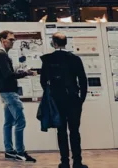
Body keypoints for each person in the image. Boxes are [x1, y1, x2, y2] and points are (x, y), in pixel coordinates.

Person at [41, 32, 87, 168]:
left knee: (61, 131)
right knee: (74, 131)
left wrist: (50, 94)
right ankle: (77, 162)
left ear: (54, 43)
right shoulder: (75, 59)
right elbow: (83, 80)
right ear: (65, 42)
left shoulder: (47, 60)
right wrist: (81, 98)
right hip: (73, 99)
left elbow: (43, 81)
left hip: (56, 100)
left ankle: (64, 162)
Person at [0, 30, 37, 162]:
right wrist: (25, 73)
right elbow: (8, 75)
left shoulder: (2, 55)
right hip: (9, 93)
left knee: (8, 122)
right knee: (20, 122)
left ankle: (9, 151)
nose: (13, 42)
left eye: (14, 39)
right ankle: (20, 152)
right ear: (3, 40)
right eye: (11, 39)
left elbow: (6, 74)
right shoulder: (2, 56)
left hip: (6, 92)